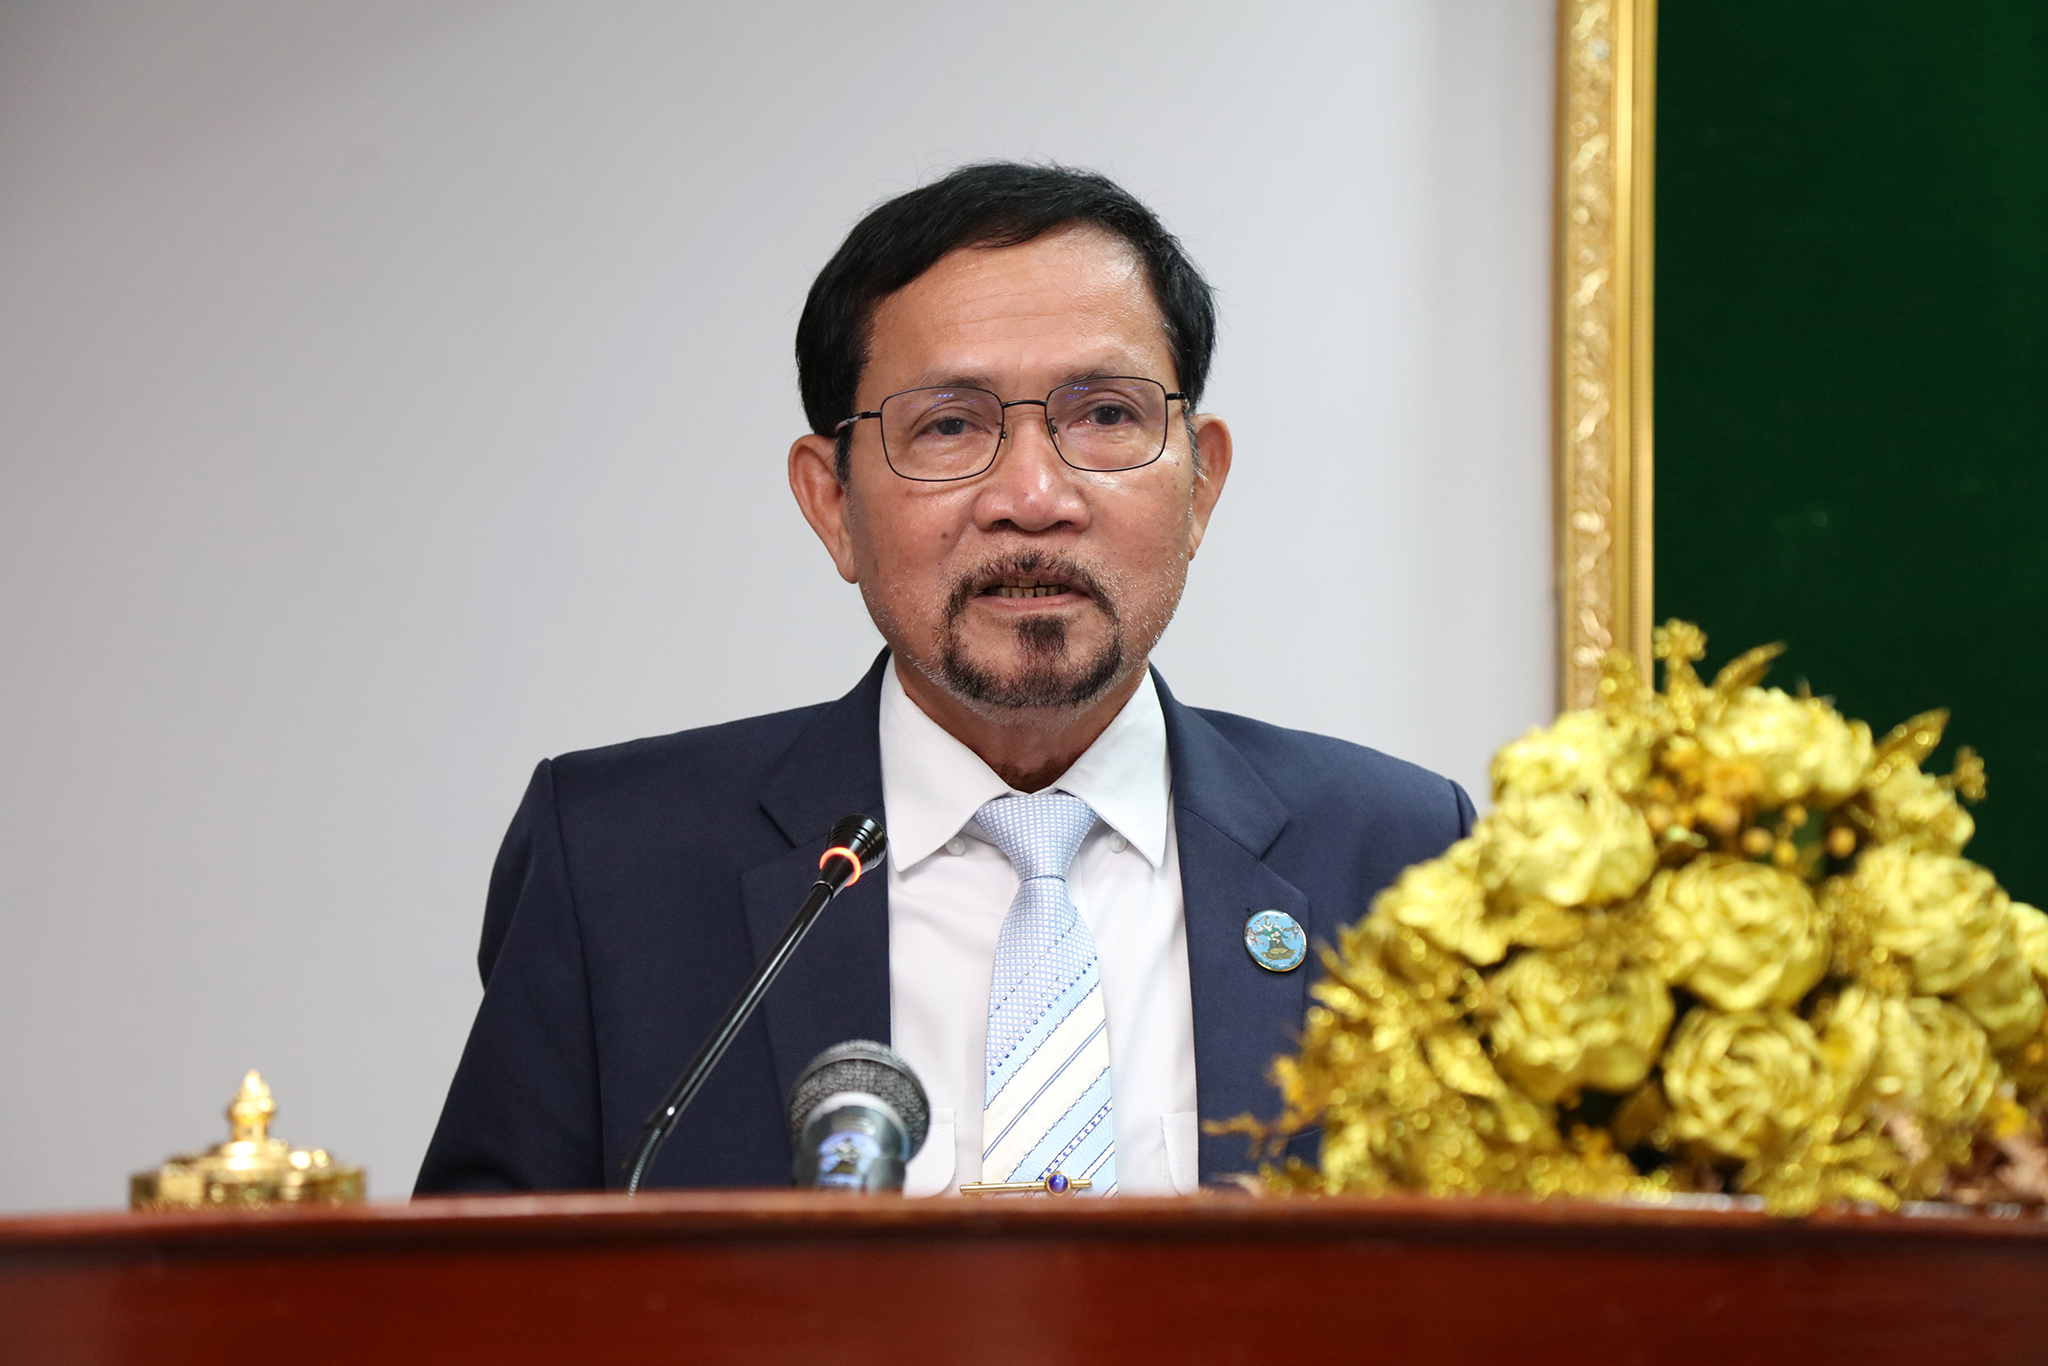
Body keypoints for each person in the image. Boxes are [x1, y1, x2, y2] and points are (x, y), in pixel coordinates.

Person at [416, 162, 1475, 1198]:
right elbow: (472, 1291)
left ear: (1200, 485)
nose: (1032, 497)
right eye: (950, 426)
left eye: (1105, 415)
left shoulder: (1402, 860)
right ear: (832, 503)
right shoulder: (615, 865)